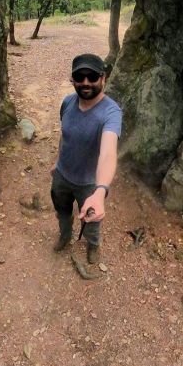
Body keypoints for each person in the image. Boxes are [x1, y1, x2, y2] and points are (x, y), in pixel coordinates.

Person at [51, 53, 123, 266]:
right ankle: (65, 235)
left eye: (92, 77)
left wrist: (100, 191)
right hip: (62, 176)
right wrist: (57, 161)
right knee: (62, 210)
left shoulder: (111, 113)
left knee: (92, 220)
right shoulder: (67, 102)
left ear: (103, 78)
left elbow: (109, 152)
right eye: (79, 77)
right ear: (72, 79)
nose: (85, 83)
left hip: (90, 185)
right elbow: (65, 135)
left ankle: (93, 244)